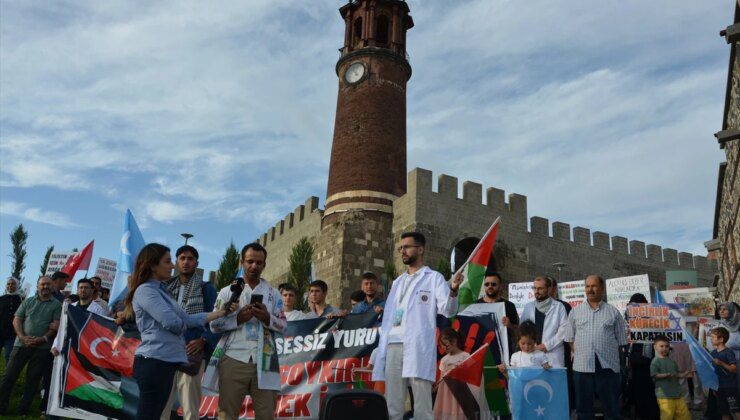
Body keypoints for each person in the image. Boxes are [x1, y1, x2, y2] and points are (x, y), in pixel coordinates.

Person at [124, 243, 227, 420]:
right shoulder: (146, 290)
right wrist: (181, 323)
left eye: (190, 259)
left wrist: (220, 313)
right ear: (153, 265)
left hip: (174, 359)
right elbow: (174, 323)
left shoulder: (164, 291)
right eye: (169, 261)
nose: (173, 265)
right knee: (152, 414)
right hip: (154, 361)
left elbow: (187, 319)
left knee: (181, 408)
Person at [372, 232, 462, 420]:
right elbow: (390, 315)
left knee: (421, 401)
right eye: (401, 248)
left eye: (407, 247)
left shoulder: (434, 278)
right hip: (394, 344)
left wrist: (453, 289)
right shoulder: (398, 282)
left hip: (417, 345)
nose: (403, 251)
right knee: (393, 401)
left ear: (420, 249)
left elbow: (448, 309)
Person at [209, 242, 287, 420]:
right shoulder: (227, 292)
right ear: (242, 262)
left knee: (266, 415)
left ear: (264, 264)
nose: (254, 266)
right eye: (250, 261)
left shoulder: (273, 294)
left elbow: (284, 325)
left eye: (259, 263)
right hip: (233, 358)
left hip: (265, 360)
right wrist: (238, 319)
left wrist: (267, 317)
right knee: (227, 414)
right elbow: (213, 326)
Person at [160, 245, 219, 420]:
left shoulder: (206, 288)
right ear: (176, 262)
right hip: (165, 351)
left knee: (189, 406)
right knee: (162, 403)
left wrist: (203, 339)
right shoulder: (165, 287)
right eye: (182, 258)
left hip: (191, 352)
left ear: (197, 263)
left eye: (190, 259)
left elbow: (215, 320)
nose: (186, 262)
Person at [565, 274, 627, 420]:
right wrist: (582, 353)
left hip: (608, 367)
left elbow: (621, 341)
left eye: (593, 286)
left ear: (602, 288)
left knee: (611, 408)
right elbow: (569, 339)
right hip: (582, 367)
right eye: (587, 286)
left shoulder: (613, 312)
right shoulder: (575, 312)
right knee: (583, 409)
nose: (590, 289)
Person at [0, 276, 61, 415]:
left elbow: (55, 325)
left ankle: (23, 409)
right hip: (21, 345)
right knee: (8, 376)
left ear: (52, 286)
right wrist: (22, 337)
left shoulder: (57, 305)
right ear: (38, 286)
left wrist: (44, 338)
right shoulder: (28, 301)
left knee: (33, 380)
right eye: (43, 284)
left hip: (42, 348)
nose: (45, 287)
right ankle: (1, 408)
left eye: (48, 284)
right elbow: (17, 320)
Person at [624, 293, 660, 419]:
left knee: (649, 389)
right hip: (635, 360)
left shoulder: (653, 318)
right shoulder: (628, 318)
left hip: (649, 359)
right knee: (638, 388)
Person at [50, 278, 107, 356]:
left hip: (87, 346)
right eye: (81, 287)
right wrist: (56, 345)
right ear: (77, 290)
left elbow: (100, 332)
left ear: (92, 290)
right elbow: (62, 328)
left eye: (86, 288)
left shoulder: (99, 310)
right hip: (69, 344)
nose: (83, 290)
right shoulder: (69, 307)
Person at [520, 276, 568, 367]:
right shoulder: (528, 307)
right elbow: (523, 330)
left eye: (540, 288)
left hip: (553, 354)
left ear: (549, 289)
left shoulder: (559, 307)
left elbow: (564, 330)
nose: (536, 291)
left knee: (553, 380)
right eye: (535, 288)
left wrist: (547, 345)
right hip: (532, 353)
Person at [651, 334, 691, 420]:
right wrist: (665, 375)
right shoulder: (655, 361)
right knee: (667, 416)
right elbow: (654, 375)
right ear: (655, 347)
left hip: (677, 394)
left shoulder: (672, 361)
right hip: (664, 396)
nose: (664, 348)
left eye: (666, 346)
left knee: (684, 415)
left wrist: (684, 374)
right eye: (661, 346)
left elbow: (676, 375)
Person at [476, 271, 519, 351]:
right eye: (487, 284)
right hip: (481, 350)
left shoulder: (509, 306)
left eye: (493, 284)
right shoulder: (475, 305)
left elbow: (517, 333)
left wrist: (509, 325)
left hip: (503, 351)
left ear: (500, 286)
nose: (490, 286)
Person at [433, 327, 470, 420]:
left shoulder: (466, 356)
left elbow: (471, 376)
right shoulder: (444, 360)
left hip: (461, 394)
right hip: (447, 395)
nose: (444, 348)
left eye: (446, 344)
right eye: (442, 346)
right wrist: (434, 388)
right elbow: (441, 379)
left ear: (454, 341)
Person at [709, 326, 738, 420]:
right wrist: (713, 386)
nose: (711, 339)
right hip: (718, 387)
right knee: (723, 411)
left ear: (721, 339)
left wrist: (721, 363)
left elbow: (734, 369)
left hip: (729, 387)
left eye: (713, 337)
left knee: (735, 410)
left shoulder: (728, 352)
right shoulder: (712, 353)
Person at [718, 301, 740, 395]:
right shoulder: (719, 325)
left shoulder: (739, 325)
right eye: (720, 309)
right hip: (724, 361)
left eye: (725, 309)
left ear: (731, 311)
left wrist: (726, 344)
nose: (721, 311)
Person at [0, 277, 23, 366]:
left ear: (17, 285)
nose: (10, 286)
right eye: (8, 284)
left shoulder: (21, 299)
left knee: (9, 357)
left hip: (12, 334)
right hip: (0, 332)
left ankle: (7, 378)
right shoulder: (1, 299)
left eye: (13, 284)